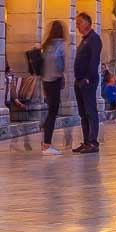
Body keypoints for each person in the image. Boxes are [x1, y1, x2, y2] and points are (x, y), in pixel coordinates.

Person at [72, 11, 101, 154]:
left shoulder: (94, 39)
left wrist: (88, 78)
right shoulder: (84, 39)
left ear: (87, 23)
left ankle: (93, 142)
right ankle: (86, 141)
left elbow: (94, 60)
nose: (77, 26)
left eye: (79, 23)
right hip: (79, 80)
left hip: (88, 81)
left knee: (90, 111)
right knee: (83, 113)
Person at [40, 20, 66, 154]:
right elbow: (60, 65)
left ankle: (45, 139)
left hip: (46, 81)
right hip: (54, 80)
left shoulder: (47, 45)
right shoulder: (59, 45)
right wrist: (62, 75)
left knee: (51, 111)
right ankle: (47, 144)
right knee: (53, 113)